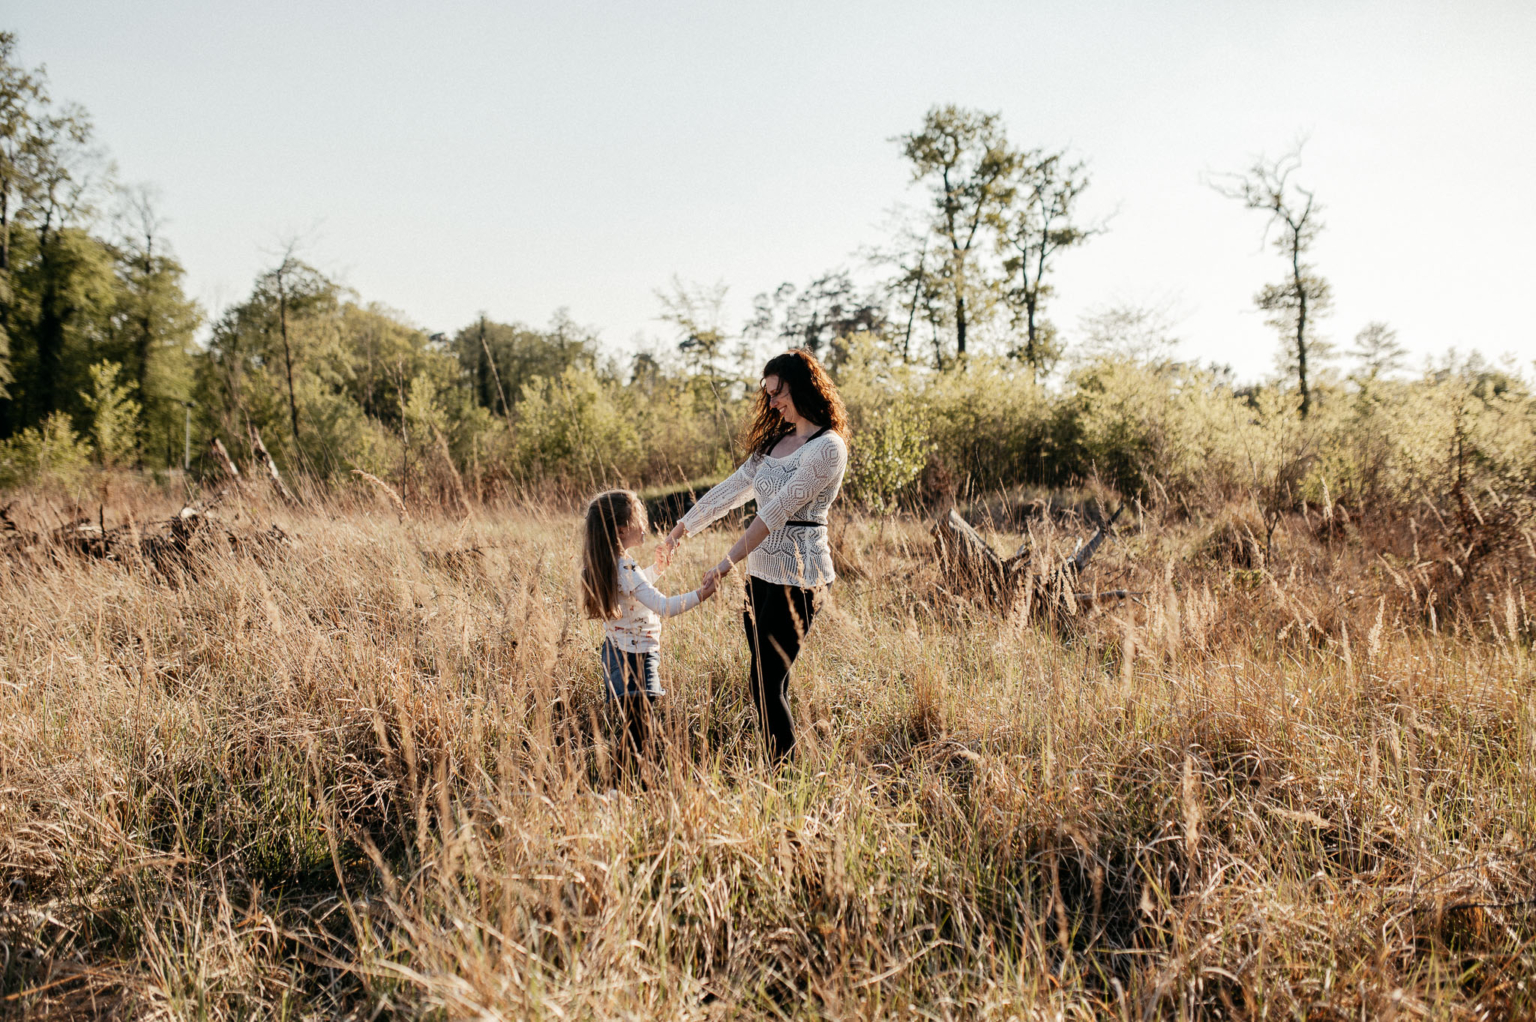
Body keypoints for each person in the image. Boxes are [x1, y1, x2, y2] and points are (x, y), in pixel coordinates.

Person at [660, 349, 849, 765]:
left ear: (801, 386)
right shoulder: (773, 444)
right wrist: (681, 529)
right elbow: (730, 491)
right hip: (760, 576)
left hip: (801, 578)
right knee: (762, 680)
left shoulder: (828, 447)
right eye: (768, 395)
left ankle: (784, 780)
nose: (773, 402)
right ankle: (778, 772)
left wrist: (726, 562)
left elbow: (776, 511)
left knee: (768, 681)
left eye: (778, 392)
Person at [580, 489, 716, 766]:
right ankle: (621, 787)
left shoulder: (612, 563)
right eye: (639, 519)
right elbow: (663, 607)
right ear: (621, 529)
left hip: (616, 654)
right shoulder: (625, 567)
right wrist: (702, 594)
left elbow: (630, 590)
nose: (646, 526)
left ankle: (626, 787)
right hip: (636, 658)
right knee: (640, 733)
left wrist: (656, 569)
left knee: (638, 729)